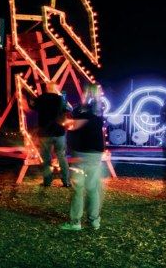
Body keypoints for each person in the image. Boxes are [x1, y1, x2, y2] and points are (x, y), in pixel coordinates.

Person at [61, 84, 106, 231]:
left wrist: (67, 114)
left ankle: (75, 222)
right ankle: (94, 221)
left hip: (80, 154)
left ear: (85, 93)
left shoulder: (80, 110)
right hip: (95, 153)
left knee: (78, 189)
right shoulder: (99, 111)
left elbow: (71, 126)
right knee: (93, 189)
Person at [28, 81, 72, 187]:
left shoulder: (40, 99)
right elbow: (69, 109)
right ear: (55, 88)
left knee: (46, 158)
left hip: (45, 133)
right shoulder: (61, 99)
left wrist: (29, 99)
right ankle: (66, 181)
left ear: (47, 88)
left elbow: (32, 106)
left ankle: (47, 181)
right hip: (59, 132)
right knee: (61, 156)